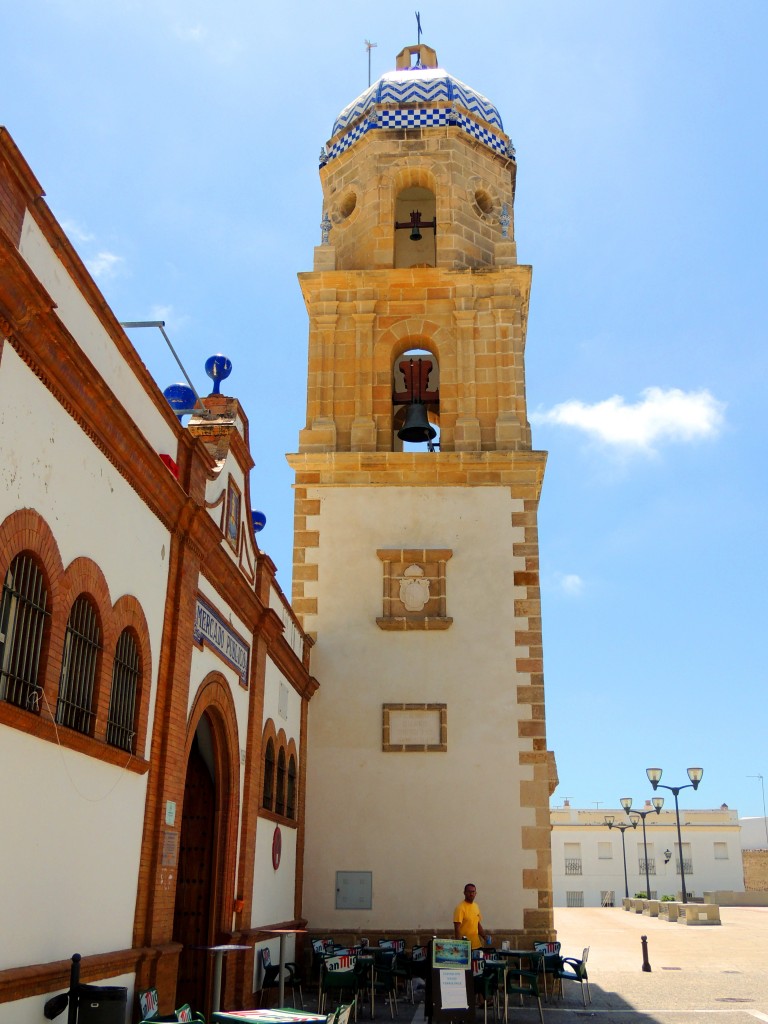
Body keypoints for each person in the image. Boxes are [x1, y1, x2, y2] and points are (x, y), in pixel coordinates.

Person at [453, 883, 488, 949]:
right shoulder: (460, 908)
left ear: (475, 893)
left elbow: (477, 924)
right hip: (465, 947)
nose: (471, 894)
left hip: (477, 945)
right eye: (469, 892)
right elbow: (457, 929)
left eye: (473, 892)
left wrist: (484, 936)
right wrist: (459, 947)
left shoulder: (476, 906)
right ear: (464, 893)